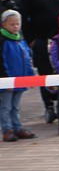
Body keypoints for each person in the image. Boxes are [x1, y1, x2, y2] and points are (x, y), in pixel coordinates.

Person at [0, 10, 37, 141]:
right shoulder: (3, 41)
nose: (15, 26)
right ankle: (7, 129)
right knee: (5, 106)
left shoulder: (20, 40)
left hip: (20, 80)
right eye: (12, 24)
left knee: (15, 106)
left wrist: (30, 75)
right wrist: (6, 80)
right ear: (4, 25)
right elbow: (2, 61)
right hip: (8, 81)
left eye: (17, 24)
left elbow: (27, 58)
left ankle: (18, 127)